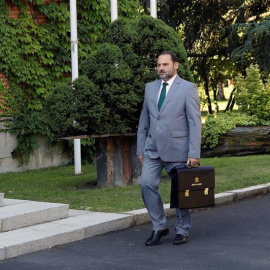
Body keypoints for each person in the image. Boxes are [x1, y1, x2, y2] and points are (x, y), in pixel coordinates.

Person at [137, 51, 201, 246]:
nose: (161, 68)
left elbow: (194, 122)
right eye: (158, 65)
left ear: (176, 65)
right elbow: (144, 121)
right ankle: (159, 226)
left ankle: (182, 229)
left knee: (180, 192)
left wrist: (193, 153)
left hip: (178, 150)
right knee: (146, 185)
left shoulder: (188, 88)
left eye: (165, 64)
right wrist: (141, 149)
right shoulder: (150, 88)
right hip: (152, 150)